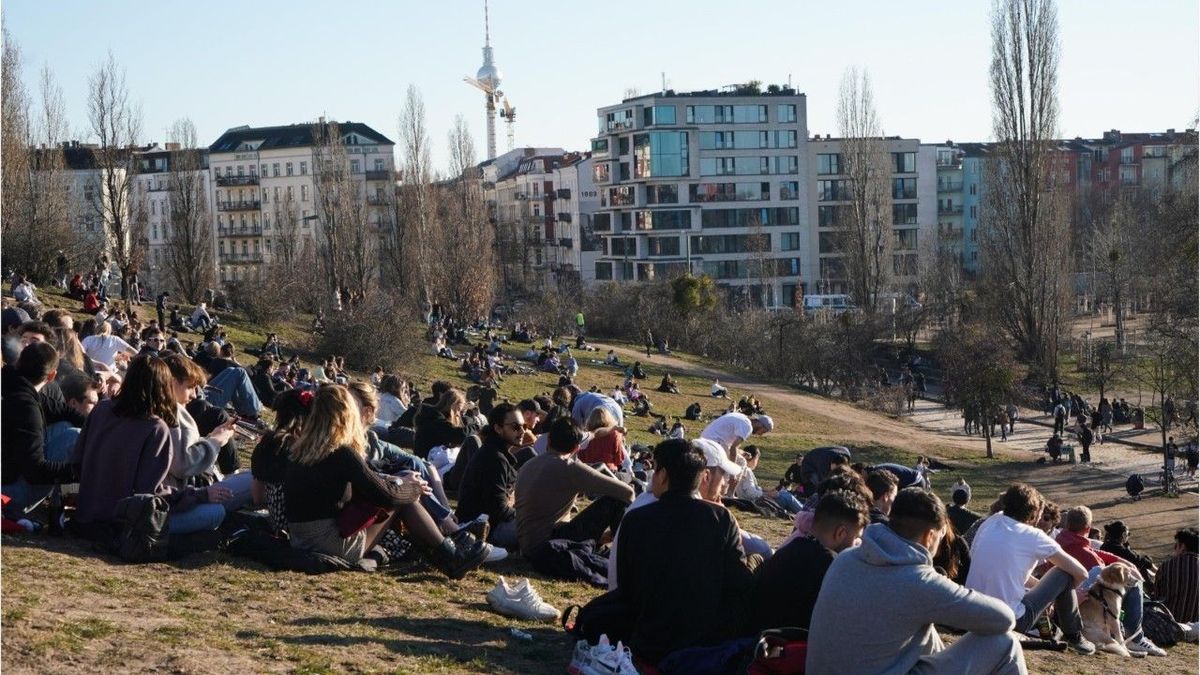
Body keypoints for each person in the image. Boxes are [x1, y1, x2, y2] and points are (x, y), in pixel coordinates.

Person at [807, 488, 1027, 674]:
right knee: (1005, 643)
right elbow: (1005, 620)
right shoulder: (919, 582)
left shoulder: (846, 559)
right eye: (941, 537)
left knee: (923, 631)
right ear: (930, 536)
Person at [283, 385, 491, 578]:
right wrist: (413, 488)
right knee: (403, 500)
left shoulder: (301, 450)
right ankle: (450, 556)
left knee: (399, 490)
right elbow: (386, 495)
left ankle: (440, 550)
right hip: (329, 544)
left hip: (300, 539)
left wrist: (396, 482)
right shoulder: (341, 453)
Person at [614, 438, 754, 666]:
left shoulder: (637, 520)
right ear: (701, 478)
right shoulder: (720, 518)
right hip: (706, 641)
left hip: (648, 640)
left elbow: (627, 587)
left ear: (663, 475)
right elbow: (738, 583)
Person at [72, 355, 231, 536]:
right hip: (125, 524)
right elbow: (151, 494)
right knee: (216, 513)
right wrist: (200, 495)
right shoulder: (155, 427)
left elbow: (78, 460)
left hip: (87, 514)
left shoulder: (102, 409)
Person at [965, 483, 1096, 654]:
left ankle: (1065, 629)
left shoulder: (992, 521)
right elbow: (1081, 573)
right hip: (1008, 619)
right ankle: (1074, 635)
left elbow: (1010, 573)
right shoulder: (1034, 536)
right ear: (1035, 514)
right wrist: (1061, 597)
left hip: (970, 612)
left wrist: (1046, 592)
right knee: (1064, 573)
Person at [748, 489, 870, 633]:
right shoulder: (832, 566)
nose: (858, 544)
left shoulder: (789, 549)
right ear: (840, 533)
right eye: (857, 537)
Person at [1055, 506, 1165, 656]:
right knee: (1132, 584)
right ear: (1088, 529)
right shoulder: (1087, 556)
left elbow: (1091, 550)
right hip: (1078, 608)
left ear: (1067, 525)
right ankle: (1135, 637)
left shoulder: (1060, 542)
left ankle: (1123, 635)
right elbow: (1101, 571)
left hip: (1069, 606)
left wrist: (1119, 560)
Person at [515, 417, 634, 556]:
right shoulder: (570, 468)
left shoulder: (530, 463)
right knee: (615, 501)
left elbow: (594, 433)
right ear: (577, 448)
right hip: (547, 546)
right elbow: (628, 493)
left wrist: (612, 429)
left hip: (525, 543)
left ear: (548, 440)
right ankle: (622, 555)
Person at [1, 343, 80, 514]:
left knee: (65, 426)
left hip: (8, 473)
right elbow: (35, 471)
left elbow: (60, 409)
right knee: (74, 436)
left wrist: (95, 424)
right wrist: (80, 471)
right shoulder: (26, 407)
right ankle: (70, 499)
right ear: (51, 376)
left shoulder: (11, 383)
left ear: (18, 362)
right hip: (5, 497)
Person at [455, 403, 523, 550]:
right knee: (542, 527)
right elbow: (498, 509)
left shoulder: (496, 452)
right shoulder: (494, 458)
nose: (522, 431)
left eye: (524, 426)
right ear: (498, 428)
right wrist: (523, 512)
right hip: (487, 529)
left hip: (490, 522)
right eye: (515, 427)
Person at [250, 389, 311, 534]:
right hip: (306, 523)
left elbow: (257, 496)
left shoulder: (272, 441)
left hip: (280, 521)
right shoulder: (310, 446)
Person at [735, 445, 803, 515]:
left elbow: (749, 489)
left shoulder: (740, 469)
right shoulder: (747, 471)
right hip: (757, 504)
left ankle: (802, 510)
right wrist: (768, 494)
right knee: (787, 497)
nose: (757, 462)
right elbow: (751, 493)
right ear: (754, 458)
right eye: (757, 459)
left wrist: (766, 490)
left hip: (751, 502)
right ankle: (806, 513)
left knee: (783, 493)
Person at [1155, 528, 1198, 624]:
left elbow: (1157, 598)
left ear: (1182, 547)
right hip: (1196, 627)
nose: (1174, 549)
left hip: (1169, 626)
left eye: (1176, 545)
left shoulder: (1167, 566)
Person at [413, 388, 470, 459]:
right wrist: (475, 426)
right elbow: (459, 435)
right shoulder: (436, 420)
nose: (458, 414)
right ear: (452, 406)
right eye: (458, 409)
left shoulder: (430, 415)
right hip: (428, 460)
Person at [700, 411, 773, 461]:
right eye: (763, 431)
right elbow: (733, 448)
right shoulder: (748, 426)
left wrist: (741, 452)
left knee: (739, 458)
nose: (760, 434)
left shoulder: (742, 417)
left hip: (706, 439)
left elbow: (731, 446)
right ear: (760, 424)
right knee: (741, 463)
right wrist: (732, 474)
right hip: (714, 443)